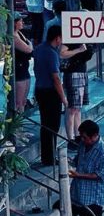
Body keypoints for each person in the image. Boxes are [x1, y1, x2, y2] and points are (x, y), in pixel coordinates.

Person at [33, 25, 67, 166]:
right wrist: (63, 98)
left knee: (45, 124)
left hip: (40, 89)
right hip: (50, 92)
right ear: (57, 38)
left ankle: (47, 156)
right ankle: (50, 157)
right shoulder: (51, 53)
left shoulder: (39, 48)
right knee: (52, 125)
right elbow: (56, 78)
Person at [63, 41, 92, 143]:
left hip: (82, 72)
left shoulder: (85, 39)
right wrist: (78, 50)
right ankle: (70, 138)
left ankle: (78, 135)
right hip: (73, 73)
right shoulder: (71, 38)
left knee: (78, 108)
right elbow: (62, 53)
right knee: (72, 108)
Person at [13, 13, 32, 112]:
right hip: (19, 70)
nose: (23, 22)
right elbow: (29, 49)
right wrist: (30, 44)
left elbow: (29, 46)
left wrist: (30, 45)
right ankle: (17, 125)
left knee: (23, 101)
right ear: (15, 23)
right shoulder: (14, 37)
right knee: (18, 102)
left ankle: (20, 122)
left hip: (24, 67)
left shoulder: (19, 33)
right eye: (20, 21)